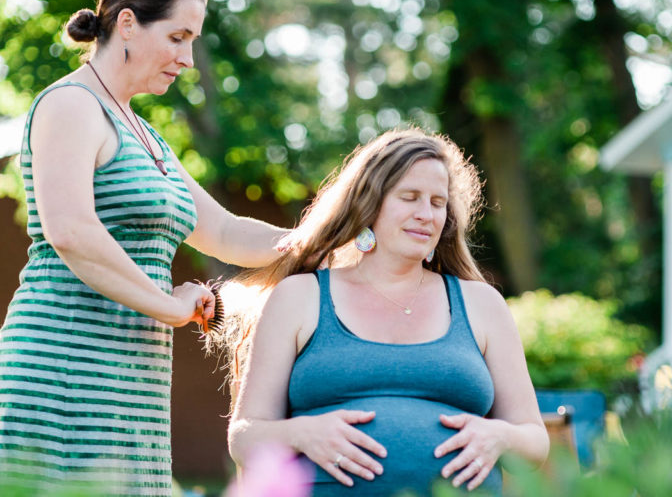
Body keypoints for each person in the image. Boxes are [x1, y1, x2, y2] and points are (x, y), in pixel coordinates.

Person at [0, 0, 287, 495]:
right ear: (128, 23)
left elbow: (224, 232)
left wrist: (331, 238)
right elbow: (71, 230)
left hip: (133, 384)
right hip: (63, 371)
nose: (188, 59)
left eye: (193, 41)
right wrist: (170, 307)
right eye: (178, 37)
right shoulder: (71, 104)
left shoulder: (144, 134)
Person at [225, 129, 549, 496]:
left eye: (438, 202)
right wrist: (300, 433)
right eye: (409, 197)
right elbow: (244, 437)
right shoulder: (300, 297)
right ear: (369, 203)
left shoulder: (482, 304)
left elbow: (534, 440)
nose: (426, 214)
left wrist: (500, 436)